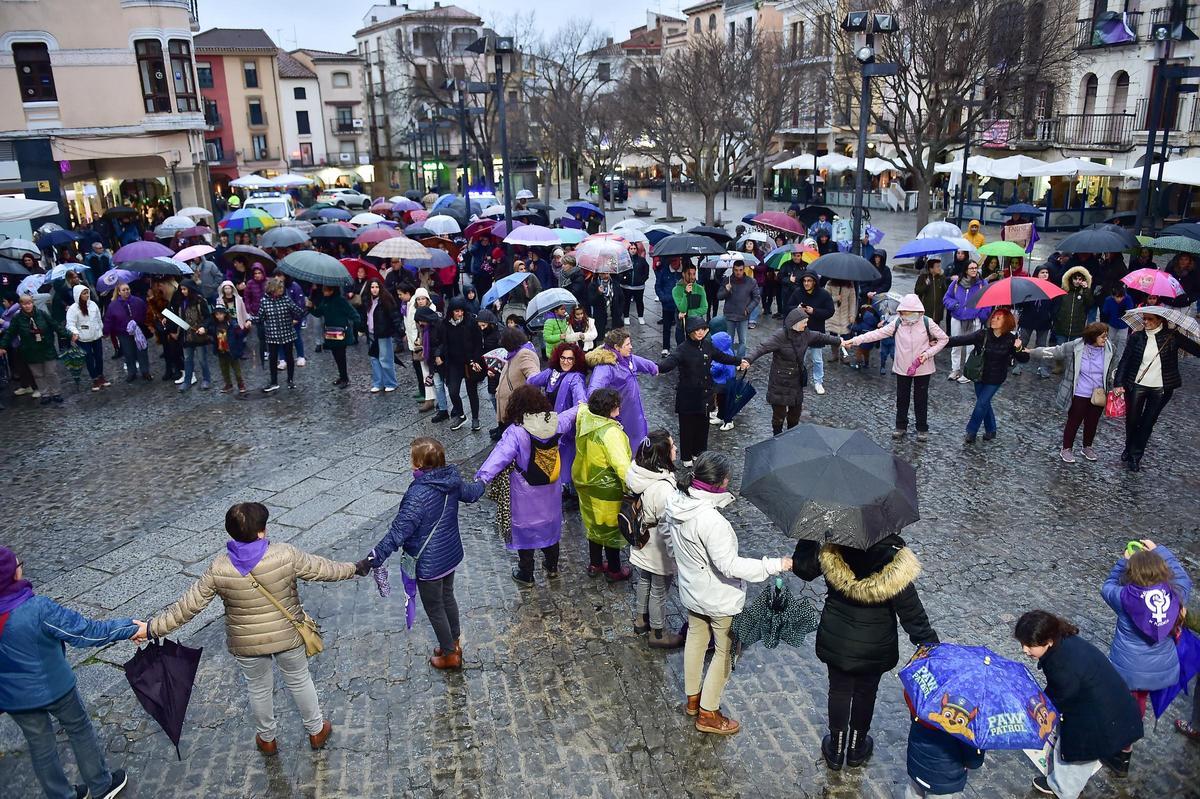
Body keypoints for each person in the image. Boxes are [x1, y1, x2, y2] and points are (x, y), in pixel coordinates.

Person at [150, 503, 358, 753]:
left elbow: (186, 607)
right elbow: (324, 570)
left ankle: (267, 739)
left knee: (258, 688)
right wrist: (356, 568)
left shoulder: (219, 568)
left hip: (246, 643)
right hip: (288, 636)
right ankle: (316, 731)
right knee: (300, 680)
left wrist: (152, 629)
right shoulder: (285, 554)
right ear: (261, 532)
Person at [662, 452, 792, 735]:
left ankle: (693, 699)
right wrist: (774, 565)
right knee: (726, 651)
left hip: (693, 592)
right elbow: (729, 566)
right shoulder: (711, 521)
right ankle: (708, 713)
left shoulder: (675, 502)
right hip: (718, 598)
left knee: (696, 640)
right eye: (727, 478)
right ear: (718, 483)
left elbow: (669, 542)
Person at [1, 547, 145, 799]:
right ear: (11, 575)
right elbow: (85, 632)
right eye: (18, 564)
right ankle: (102, 786)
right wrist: (128, 627)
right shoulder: (37, 609)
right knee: (79, 730)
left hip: (14, 698)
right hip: (55, 687)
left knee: (40, 746)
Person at [792, 534, 938, 770]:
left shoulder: (835, 549)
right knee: (866, 693)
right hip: (876, 643)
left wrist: (809, 538)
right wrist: (930, 645)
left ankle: (836, 749)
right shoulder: (894, 560)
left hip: (838, 638)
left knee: (838, 690)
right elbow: (911, 612)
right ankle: (857, 747)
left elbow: (804, 569)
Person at [363, 438, 485, 669]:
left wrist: (372, 559)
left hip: (429, 563)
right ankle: (454, 643)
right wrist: (484, 480)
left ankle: (450, 655)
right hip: (449, 556)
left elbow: (398, 532)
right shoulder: (452, 481)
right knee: (447, 597)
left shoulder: (418, 495)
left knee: (435, 606)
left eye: (412, 458)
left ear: (420, 463)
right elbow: (472, 493)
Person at [1014, 610, 1143, 798]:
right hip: (1114, 707)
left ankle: (1063, 789)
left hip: (1097, 719)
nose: (1024, 650)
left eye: (1029, 645)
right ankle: (1117, 761)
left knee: (1076, 750)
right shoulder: (1065, 641)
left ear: (1048, 641)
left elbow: (1061, 696)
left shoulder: (1060, 665)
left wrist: (1038, 708)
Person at [1099, 538, 1191, 776]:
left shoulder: (1124, 599)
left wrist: (1123, 562)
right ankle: (1124, 748)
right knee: (1140, 701)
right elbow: (1183, 576)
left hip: (1129, 670)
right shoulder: (1176, 594)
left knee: (1129, 706)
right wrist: (1160, 550)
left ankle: (1122, 754)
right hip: (1160, 669)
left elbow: (1107, 585)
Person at [476, 386, 579, 586]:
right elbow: (572, 414)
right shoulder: (555, 422)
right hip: (550, 491)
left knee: (525, 532)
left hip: (524, 492)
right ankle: (552, 567)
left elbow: (500, 456)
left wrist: (482, 478)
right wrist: (583, 404)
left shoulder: (516, 432)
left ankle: (526, 573)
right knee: (550, 529)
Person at [843, 294, 949, 440]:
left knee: (921, 399)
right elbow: (877, 334)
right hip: (903, 367)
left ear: (919, 312)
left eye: (911, 313)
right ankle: (900, 426)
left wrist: (928, 354)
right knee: (902, 398)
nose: (908, 316)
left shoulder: (927, 322)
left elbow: (944, 339)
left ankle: (922, 428)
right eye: (905, 312)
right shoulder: (897, 323)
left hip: (923, 368)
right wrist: (854, 341)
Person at [1113, 312, 1200, 471]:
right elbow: (1125, 360)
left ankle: (1135, 456)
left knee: (1147, 423)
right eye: (1144, 318)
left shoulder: (1172, 336)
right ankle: (1129, 446)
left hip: (1161, 388)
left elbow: (1196, 350)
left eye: (1150, 319)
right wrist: (1118, 382)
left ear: (1160, 320)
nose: (1145, 322)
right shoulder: (1136, 337)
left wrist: (1180, 336)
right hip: (1137, 385)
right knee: (1132, 420)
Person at [656, 317, 743, 466]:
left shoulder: (708, 345)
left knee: (703, 426)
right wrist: (655, 367)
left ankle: (699, 453)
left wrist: (739, 361)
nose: (700, 332)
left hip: (705, 394)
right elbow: (670, 362)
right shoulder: (682, 349)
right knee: (687, 428)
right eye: (697, 330)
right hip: (688, 396)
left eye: (703, 329)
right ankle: (686, 457)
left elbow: (722, 356)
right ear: (690, 332)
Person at [625, 431, 684, 649]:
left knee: (644, 580)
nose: (676, 449)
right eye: (672, 446)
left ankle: (641, 620)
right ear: (662, 455)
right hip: (657, 544)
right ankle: (658, 633)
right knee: (659, 589)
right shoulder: (663, 488)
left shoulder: (638, 472)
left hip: (641, 540)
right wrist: (676, 555)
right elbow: (668, 527)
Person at [1026, 322, 1115, 463]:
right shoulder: (1075, 346)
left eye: (1106, 336)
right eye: (1103, 337)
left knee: (1092, 422)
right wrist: (1032, 351)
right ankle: (1066, 449)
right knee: (1074, 421)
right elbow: (1054, 352)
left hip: (1098, 393)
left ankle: (1087, 447)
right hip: (1079, 392)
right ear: (1093, 336)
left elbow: (1112, 369)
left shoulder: (1110, 349)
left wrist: (1115, 384)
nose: (1106, 339)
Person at [746, 307, 842, 435]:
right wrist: (748, 360)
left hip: (796, 381)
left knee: (795, 414)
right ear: (795, 323)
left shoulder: (806, 334)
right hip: (780, 382)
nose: (806, 324)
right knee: (779, 416)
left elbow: (820, 337)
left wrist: (839, 342)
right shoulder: (780, 336)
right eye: (804, 322)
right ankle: (777, 437)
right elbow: (762, 347)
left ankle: (790, 437)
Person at [573, 387, 634, 581]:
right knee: (610, 527)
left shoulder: (586, 419)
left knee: (593, 524)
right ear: (611, 408)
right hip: (607, 489)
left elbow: (582, 407)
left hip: (587, 483)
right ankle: (614, 569)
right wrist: (633, 486)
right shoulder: (610, 432)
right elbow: (621, 465)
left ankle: (595, 564)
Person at [945, 308, 1028, 444]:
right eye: (994, 317)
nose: (994, 319)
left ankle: (971, 431)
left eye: (998, 318)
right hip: (979, 375)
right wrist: (940, 342)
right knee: (984, 403)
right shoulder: (982, 334)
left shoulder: (1011, 339)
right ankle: (991, 430)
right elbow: (960, 340)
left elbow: (1024, 359)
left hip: (996, 378)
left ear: (1006, 322)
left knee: (981, 403)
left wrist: (1018, 347)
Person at [586, 328, 658, 450]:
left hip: (635, 413)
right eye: (627, 344)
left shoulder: (627, 358)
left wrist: (653, 368)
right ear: (617, 347)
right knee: (625, 446)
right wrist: (609, 408)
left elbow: (643, 363)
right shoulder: (605, 367)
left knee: (638, 440)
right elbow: (593, 392)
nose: (631, 347)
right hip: (621, 416)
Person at [527, 341, 588, 487]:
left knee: (566, 459)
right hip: (549, 424)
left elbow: (581, 401)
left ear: (576, 361)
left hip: (565, 429)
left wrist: (567, 417)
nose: (565, 361)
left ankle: (567, 487)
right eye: (563, 357)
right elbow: (532, 380)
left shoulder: (576, 378)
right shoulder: (551, 372)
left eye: (570, 359)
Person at [0, 293, 70, 405]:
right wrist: (2, 346)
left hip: (46, 347)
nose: (27, 306)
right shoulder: (17, 319)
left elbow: (55, 325)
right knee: (38, 374)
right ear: (21, 305)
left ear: (32, 303)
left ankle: (56, 392)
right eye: (24, 304)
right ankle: (45, 394)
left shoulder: (42, 314)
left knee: (51, 372)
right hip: (30, 350)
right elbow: (10, 333)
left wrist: (70, 335)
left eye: (29, 303)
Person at [904, 707, 985, 799]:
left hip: (917, 762)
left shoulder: (926, 701)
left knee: (913, 792)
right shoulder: (969, 718)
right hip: (945, 778)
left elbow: (914, 716)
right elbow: (973, 761)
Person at [785, 271, 834, 395]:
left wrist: (814, 311)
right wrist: (797, 308)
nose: (806, 283)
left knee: (817, 359)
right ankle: (797, 380)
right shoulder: (798, 292)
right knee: (799, 358)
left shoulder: (823, 294)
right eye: (805, 281)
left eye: (809, 281)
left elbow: (830, 311)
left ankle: (818, 381)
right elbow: (788, 307)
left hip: (816, 330)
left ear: (814, 282)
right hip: (800, 331)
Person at [439, 296, 485, 430]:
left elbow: (478, 343)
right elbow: (442, 341)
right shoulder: (446, 324)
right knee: (453, 391)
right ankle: (461, 415)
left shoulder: (470, 322)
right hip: (453, 362)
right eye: (456, 311)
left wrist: (476, 360)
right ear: (451, 312)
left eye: (461, 311)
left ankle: (475, 418)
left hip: (469, 362)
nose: (459, 314)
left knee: (472, 392)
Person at [253, 276, 303, 393]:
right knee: (273, 358)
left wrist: (300, 315)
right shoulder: (264, 302)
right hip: (272, 335)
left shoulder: (286, 299)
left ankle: (290, 380)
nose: (281, 290)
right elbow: (260, 317)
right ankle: (274, 382)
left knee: (289, 357)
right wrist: (249, 320)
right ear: (273, 288)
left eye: (282, 287)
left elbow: (298, 311)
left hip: (287, 333)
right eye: (279, 288)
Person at [941, 261, 989, 383]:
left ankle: (968, 373)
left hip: (974, 319)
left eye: (975, 268)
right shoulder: (956, 283)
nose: (974, 270)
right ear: (966, 270)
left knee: (971, 347)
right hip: (957, 318)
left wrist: (982, 315)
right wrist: (955, 305)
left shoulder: (982, 284)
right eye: (971, 268)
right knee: (956, 344)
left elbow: (988, 302)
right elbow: (946, 298)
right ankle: (955, 370)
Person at [494, 326, 540, 437]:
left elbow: (533, 374)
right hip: (510, 408)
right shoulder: (514, 354)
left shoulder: (524, 354)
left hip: (517, 410)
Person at [103, 282, 152, 382]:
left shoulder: (138, 301)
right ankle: (132, 372)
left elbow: (146, 313)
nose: (126, 291)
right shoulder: (113, 305)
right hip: (123, 333)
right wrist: (106, 331)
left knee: (142, 351)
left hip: (138, 331)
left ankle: (145, 371)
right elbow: (109, 319)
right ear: (119, 292)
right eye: (124, 290)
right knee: (128, 353)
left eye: (127, 289)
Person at [360, 278, 401, 393]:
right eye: (372, 287)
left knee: (385, 358)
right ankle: (378, 383)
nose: (374, 290)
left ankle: (391, 382)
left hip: (383, 333)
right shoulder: (367, 300)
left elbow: (394, 316)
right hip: (372, 333)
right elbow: (365, 316)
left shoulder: (385, 300)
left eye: (376, 287)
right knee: (374, 359)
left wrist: (400, 331)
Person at [1013, 265, 1055, 377]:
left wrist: (1051, 315)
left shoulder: (1051, 288)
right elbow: (1021, 304)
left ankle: (1042, 367)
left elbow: (1055, 305)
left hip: (1044, 321)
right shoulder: (1029, 287)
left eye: (1047, 272)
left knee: (1042, 346)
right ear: (1037, 274)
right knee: (1022, 343)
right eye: (1042, 272)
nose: (1045, 274)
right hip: (1028, 319)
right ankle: (1019, 364)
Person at [65, 284, 109, 391]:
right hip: (83, 339)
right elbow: (70, 324)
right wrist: (75, 333)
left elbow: (98, 319)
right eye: (84, 293)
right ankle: (95, 379)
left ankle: (100, 375)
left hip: (96, 336)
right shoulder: (73, 309)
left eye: (87, 293)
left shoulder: (93, 305)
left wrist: (101, 330)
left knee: (99, 357)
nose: (86, 295)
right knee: (89, 359)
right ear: (78, 295)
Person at [170, 280, 211, 391]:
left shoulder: (200, 301)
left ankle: (206, 379)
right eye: (181, 289)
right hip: (186, 336)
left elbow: (208, 317)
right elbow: (178, 317)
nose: (183, 291)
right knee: (188, 359)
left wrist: (203, 327)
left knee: (202, 359)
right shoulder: (181, 302)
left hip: (199, 336)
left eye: (185, 289)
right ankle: (187, 381)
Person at [717, 260, 760, 358]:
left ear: (743, 269)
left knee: (742, 341)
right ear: (733, 269)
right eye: (736, 270)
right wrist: (726, 291)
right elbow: (719, 296)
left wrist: (748, 309)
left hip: (743, 315)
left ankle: (740, 361)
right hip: (729, 315)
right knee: (728, 341)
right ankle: (730, 360)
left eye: (740, 270)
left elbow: (756, 298)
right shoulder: (727, 280)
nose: (738, 272)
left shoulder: (751, 281)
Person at [208, 303, 248, 396]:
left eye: (220, 314)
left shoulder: (232, 324)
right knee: (224, 370)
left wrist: (246, 329)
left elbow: (240, 334)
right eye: (216, 314)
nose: (219, 316)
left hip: (232, 351)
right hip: (221, 351)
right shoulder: (214, 325)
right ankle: (228, 384)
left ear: (225, 314)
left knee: (236, 370)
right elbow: (211, 335)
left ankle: (240, 384)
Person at [671, 264, 707, 349]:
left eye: (694, 274)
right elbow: (682, 308)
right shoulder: (676, 290)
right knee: (682, 351)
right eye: (689, 274)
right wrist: (686, 293)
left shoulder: (700, 289)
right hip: (682, 327)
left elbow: (704, 308)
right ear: (683, 274)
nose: (692, 277)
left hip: (697, 326)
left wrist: (690, 313)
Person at [1054, 267, 1093, 345]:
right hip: (1062, 329)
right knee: (1060, 352)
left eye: (1080, 279)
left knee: (1073, 353)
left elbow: (1090, 303)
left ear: (1083, 280)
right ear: (1071, 279)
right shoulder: (1064, 292)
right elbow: (1056, 307)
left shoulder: (1084, 293)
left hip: (1077, 330)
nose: (1077, 281)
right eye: (1075, 279)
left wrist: (1086, 289)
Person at [1101, 283, 1134, 364]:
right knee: (1109, 340)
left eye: (1121, 297)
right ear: (1113, 296)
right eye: (1117, 297)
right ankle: (1107, 356)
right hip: (1112, 324)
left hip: (1124, 325)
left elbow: (1131, 311)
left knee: (1122, 342)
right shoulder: (1108, 300)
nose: (1119, 299)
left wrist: (1125, 310)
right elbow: (1105, 312)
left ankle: (1119, 360)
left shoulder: (1128, 299)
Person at [654, 256, 682, 355]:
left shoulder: (683, 272)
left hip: (680, 306)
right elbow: (658, 285)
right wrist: (663, 298)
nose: (674, 263)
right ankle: (666, 347)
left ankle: (681, 348)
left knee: (681, 328)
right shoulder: (664, 271)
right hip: (667, 305)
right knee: (666, 327)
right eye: (672, 261)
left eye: (676, 261)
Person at [620, 241, 650, 324]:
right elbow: (620, 272)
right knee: (626, 302)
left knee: (639, 301)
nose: (633, 250)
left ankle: (640, 316)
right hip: (626, 286)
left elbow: (646, 271)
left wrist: (642, 279)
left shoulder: (641, 260)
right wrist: (623, 279)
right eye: (631, 248)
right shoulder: (625, 260)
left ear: (637, 250)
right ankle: (626, 316)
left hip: (639, 286)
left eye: (634, 248)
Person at [914, 257, 948, 327]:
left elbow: (946, 292)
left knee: (935, 332)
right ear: (931, 268)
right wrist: (926, 285)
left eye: (940, 266)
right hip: (925, 312)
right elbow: (917, 291)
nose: (939, 268)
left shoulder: (941, 277)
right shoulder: (923, 277)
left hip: (938, 313)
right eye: (937, 266)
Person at [588, 270, 621, 340]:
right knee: (601, 338)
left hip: (614, 316)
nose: (606, 275)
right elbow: (591, 301)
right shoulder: (594, 284)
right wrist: (599, 293)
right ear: (599, 274)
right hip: (600, 317)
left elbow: (621, 298)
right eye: (603, 273)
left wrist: (619, 311)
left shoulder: (614, 283)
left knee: (615, 338)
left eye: (607, 273)